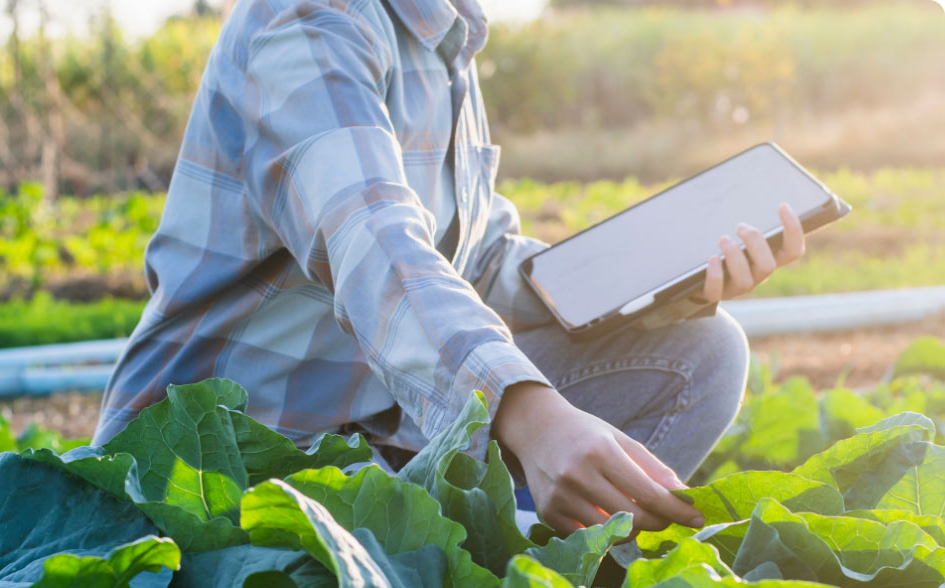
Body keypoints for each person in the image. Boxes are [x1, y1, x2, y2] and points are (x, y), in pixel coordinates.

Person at [93, 0, 807, 537]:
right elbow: (375, 249)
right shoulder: (311, 23)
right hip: (223, 468)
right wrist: (527, 414)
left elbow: (482, 258)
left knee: (699, 352)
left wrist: (658, 283)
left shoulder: (442, 37)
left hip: (373, 441)